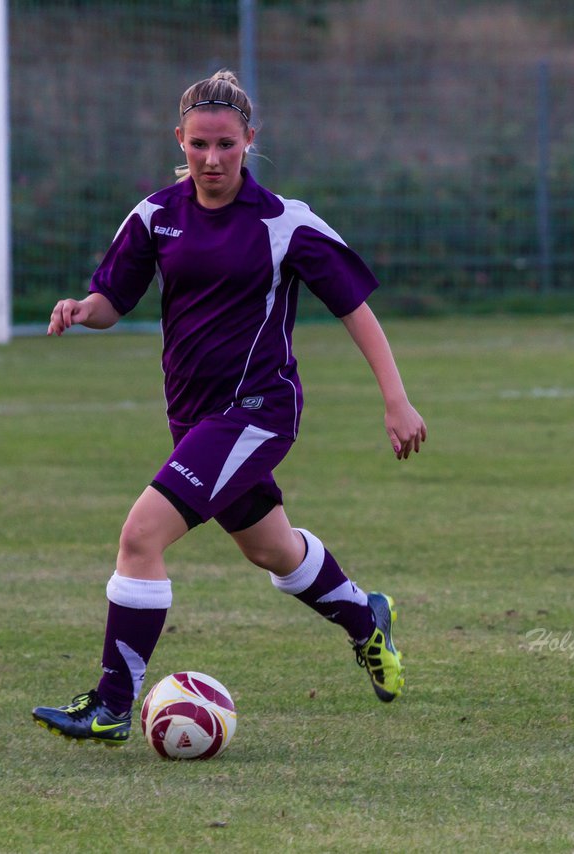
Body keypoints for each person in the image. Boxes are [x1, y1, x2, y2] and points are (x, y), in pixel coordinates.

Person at [31, 70, 427, 745]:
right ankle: (367, 618)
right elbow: (112, 299)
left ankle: (111, 705)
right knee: (273, 550)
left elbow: (354, 309)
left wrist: (396, 398)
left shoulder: (284, 223)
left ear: (250, 140)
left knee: (140, 536)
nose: (212, 160)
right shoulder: (156, 216)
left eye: (226, 145)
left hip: (258, 411)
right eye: (199, 146)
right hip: (193, 418)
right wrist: (80, 310)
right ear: (179, 141)